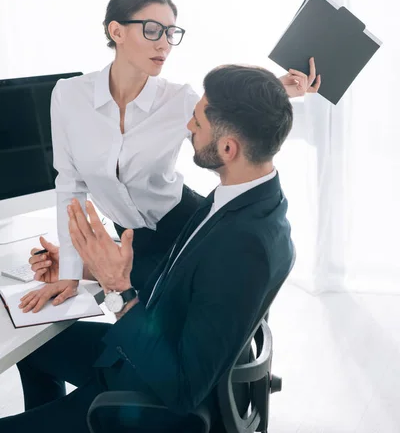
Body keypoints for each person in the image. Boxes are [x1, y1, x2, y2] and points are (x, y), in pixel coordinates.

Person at [4, 64, 294, 432]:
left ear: (227, 147)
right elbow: (182, 279)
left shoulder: (245, 247)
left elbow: (182, 389)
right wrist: (92, 266)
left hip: (148, 396)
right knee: (33, 349)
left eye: (198, 123)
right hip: (143, 351)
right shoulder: (242, 196)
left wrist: (117, 290)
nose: (189, 128)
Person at [26, 0, 320, 311]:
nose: (165, 44)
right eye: (153, 31)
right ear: (116, 31)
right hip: (128, 243)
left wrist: (281, 91)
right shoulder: (68, 96)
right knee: (144, 331)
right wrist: (69, 271)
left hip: (185, 226)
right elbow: (70, 186)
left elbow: (231, 114)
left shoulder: (179, 99)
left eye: (171, 33)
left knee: (203, 323)